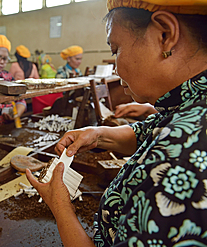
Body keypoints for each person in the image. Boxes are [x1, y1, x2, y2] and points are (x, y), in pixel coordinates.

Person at [26, 0, 207, 246]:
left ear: (165, 34)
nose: (116, 68)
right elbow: (149, 132)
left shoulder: (184, 164)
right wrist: (98, 134)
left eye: (115, 49)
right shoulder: (191, 104)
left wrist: (60, 207)